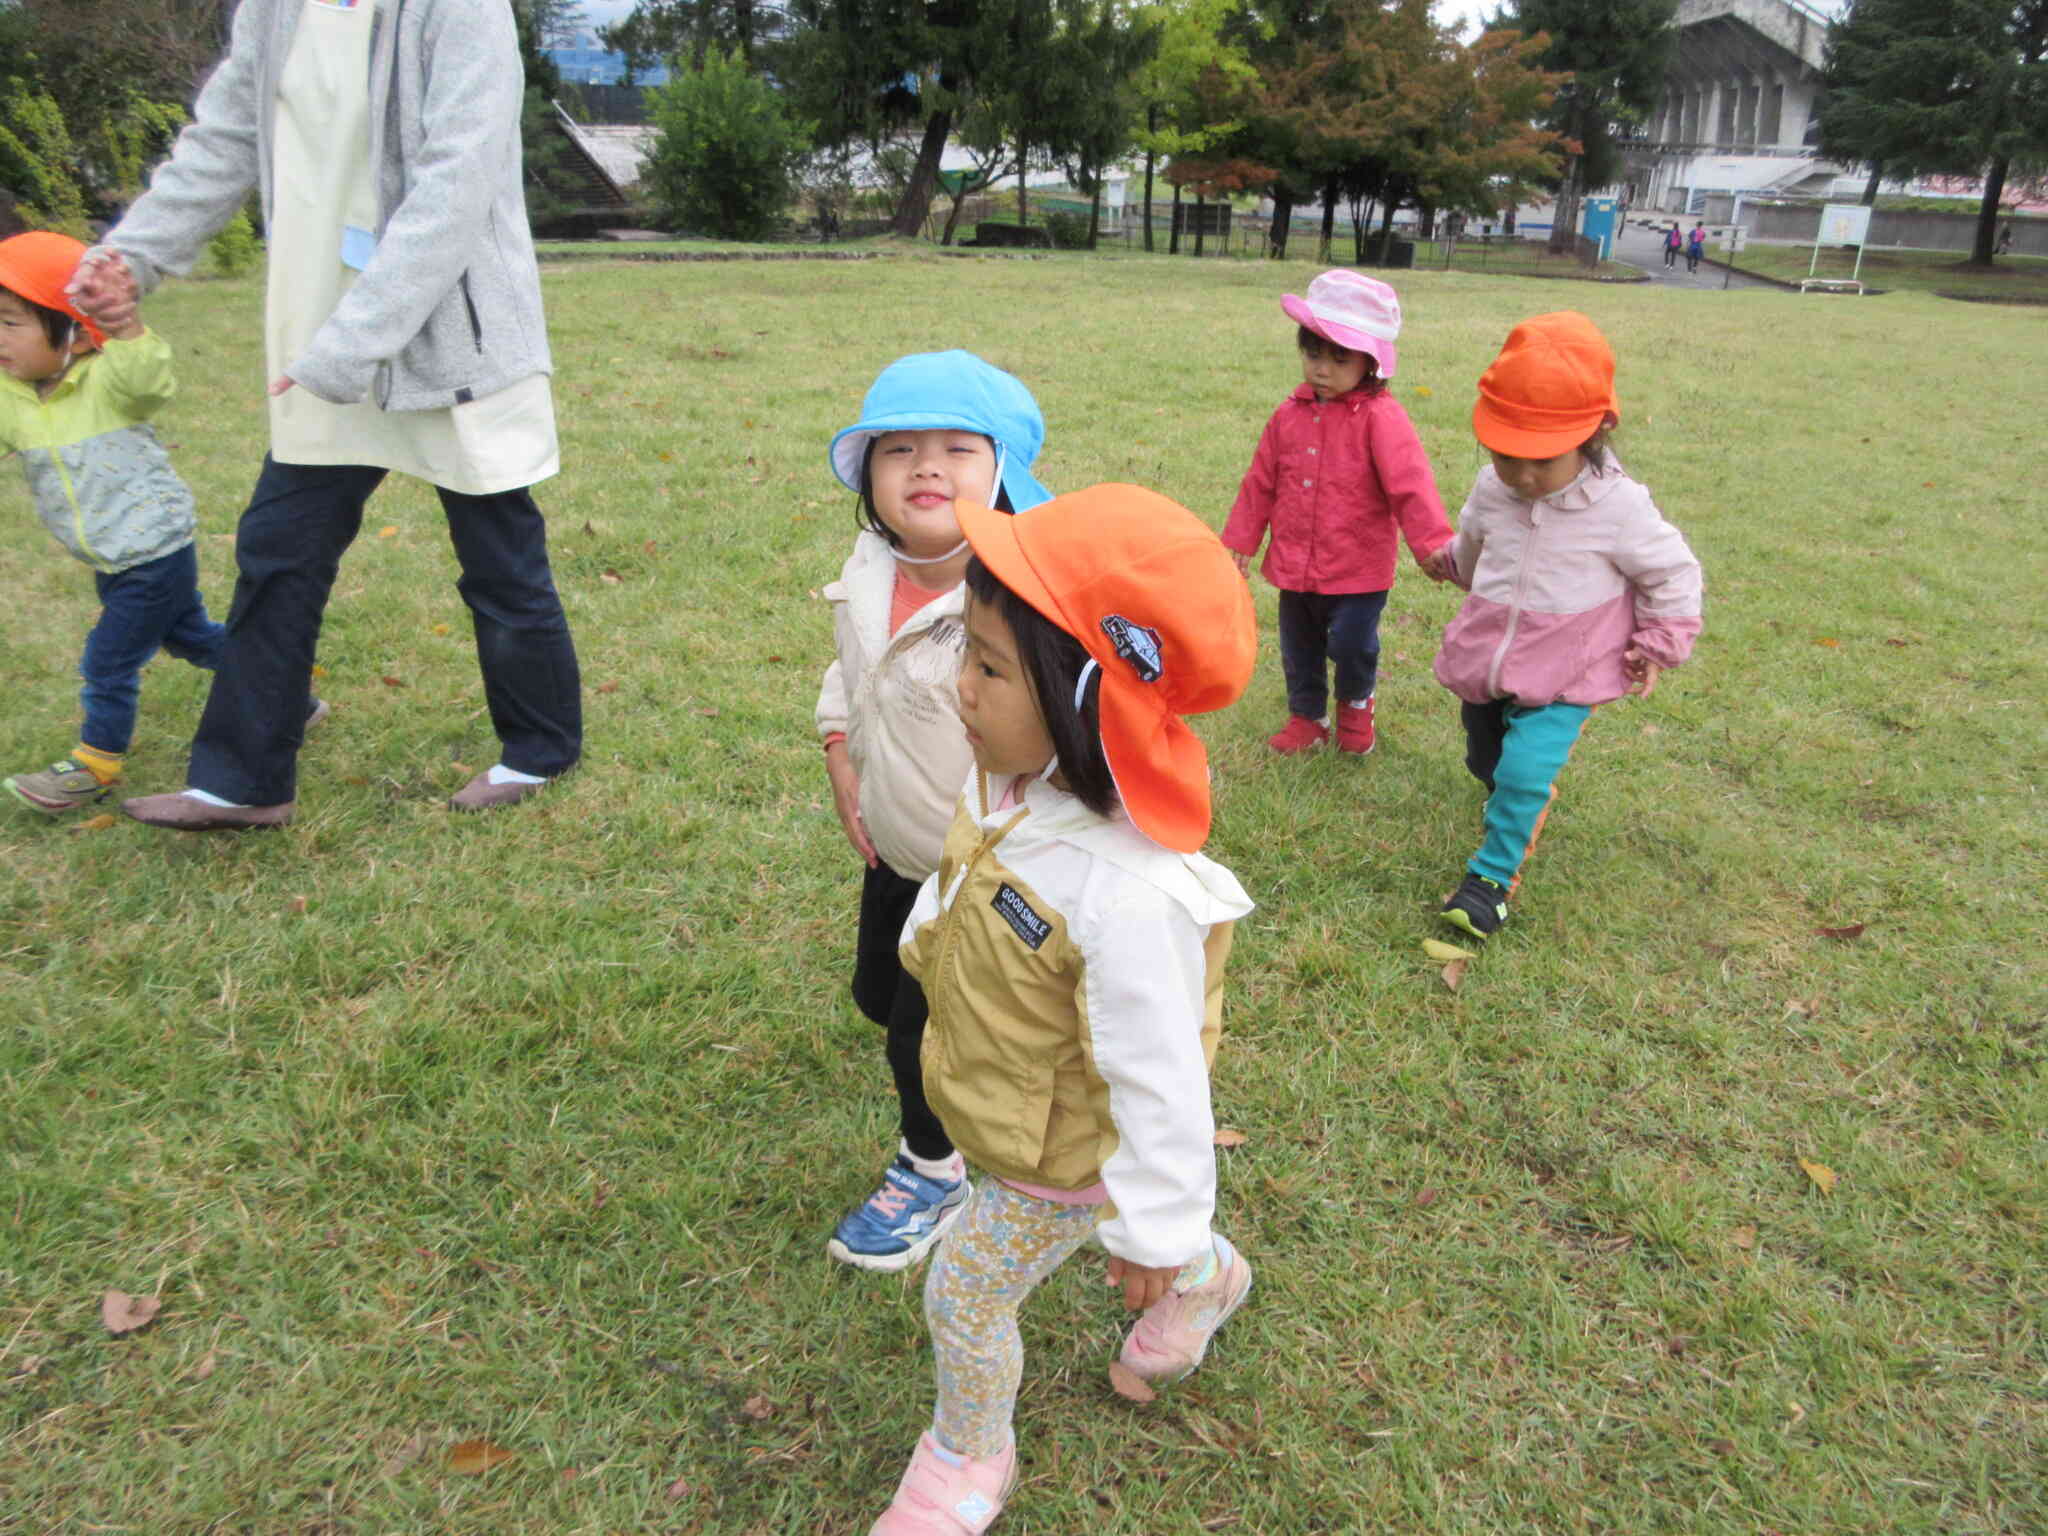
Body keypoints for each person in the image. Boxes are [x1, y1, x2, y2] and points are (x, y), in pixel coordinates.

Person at [70, 0, 580, 831]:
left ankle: (540, 751)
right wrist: (133, 256)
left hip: (449, 333)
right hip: (321, 338)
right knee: (278, 555)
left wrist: (356, 340)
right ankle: (242, 778)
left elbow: (458, 180)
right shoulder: (273, 9)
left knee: (500, 558)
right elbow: (223, 139)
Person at [867, 483, 1256, 1536]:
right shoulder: (1010, 776)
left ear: (1089, 702)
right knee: (1078, 1256)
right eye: (968, 653)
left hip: (1064, 1149)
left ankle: (964, 1457)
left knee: (964, 1294)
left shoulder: (1126, 894)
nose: (961, 686)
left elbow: (1160, 1080)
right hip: (1009, 1099)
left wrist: (1156, 1222)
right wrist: (924, 942)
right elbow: (967, 867)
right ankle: (1209, 1273)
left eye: (989, 667)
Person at [816, 351, 1054, 1273]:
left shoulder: (1019, 596)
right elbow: (853, 669)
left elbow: (1070, 731)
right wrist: (838, 744)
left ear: (1001, 478)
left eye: (958, 448)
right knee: (880, 998)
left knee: (928, 1031)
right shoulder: (873, 565)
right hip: (896, 851)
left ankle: (934, 1168)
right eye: (899, 448)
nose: (925, 467)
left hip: (978, 872)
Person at [0, 232, 324, 815]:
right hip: (110, 556)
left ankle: (94, 763)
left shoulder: (111, 382)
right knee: (194, 639)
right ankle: (290, 699)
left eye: (9, 323)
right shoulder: (12, 396)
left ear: (72, 329)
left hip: (153, 551)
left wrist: (124, 330)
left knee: (108, 660)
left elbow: (149, 379)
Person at [1429, 312, 1704, 942]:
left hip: (1566, 671)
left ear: (1595, 432)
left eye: (1541, 460)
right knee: (1489, 758)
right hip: (1492, 659)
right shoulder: (1492, 489)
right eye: (1505, 455)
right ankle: (1504, 796)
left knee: (1525, 773)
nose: (1521, 475)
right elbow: (1474, 543)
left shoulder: (1619, 507)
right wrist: (1452, 563)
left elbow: (1674, 573)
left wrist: (1658, 643)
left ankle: (1489, 884)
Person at [1221, 269, 1454, 756]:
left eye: (1339, 357)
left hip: (1357, 567)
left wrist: (1431, 545)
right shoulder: (1288, 415)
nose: (1322, 368)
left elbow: (1410, 484)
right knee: (1299, 646)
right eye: (1313, 353)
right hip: (1295, 563)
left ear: (1370, 362)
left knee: (1351, 643)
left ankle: (1355, 703)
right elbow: (1260, 482)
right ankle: (1307, 716)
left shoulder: (1381, 418)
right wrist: (1241, 542)